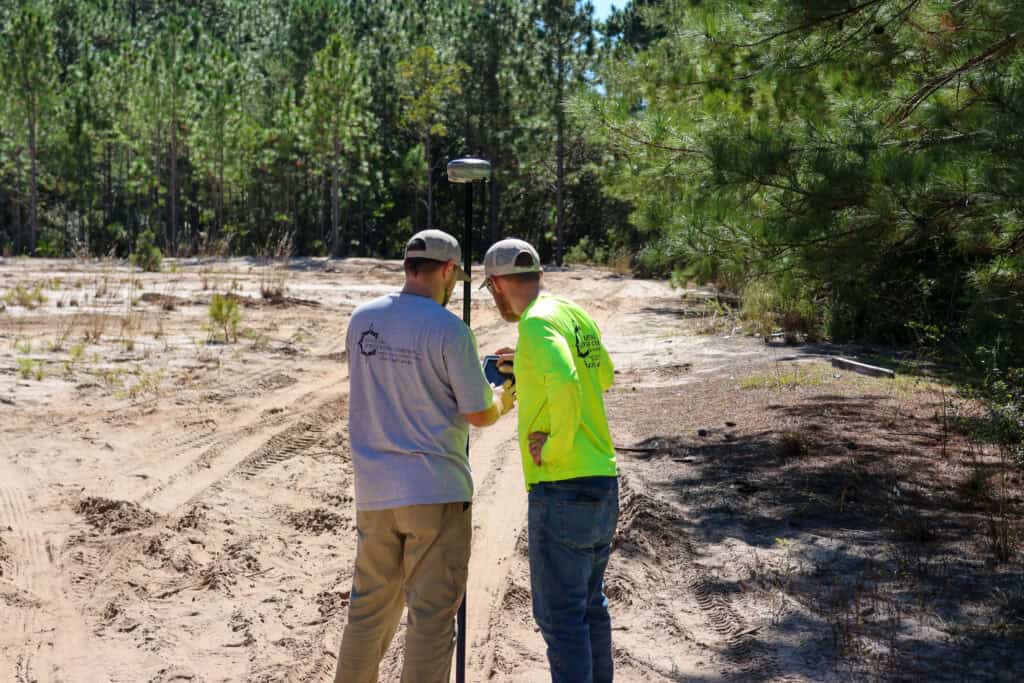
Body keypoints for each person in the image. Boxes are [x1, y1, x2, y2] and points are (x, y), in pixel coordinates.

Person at [335, 229, 515, 683]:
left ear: (408, 265)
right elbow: (477, 413)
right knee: (431, 619)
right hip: (435, 492)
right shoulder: (449, 329)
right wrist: (504, 398)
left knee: (368, 612)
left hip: (375, 493)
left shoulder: (361, 319)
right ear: (449, 271)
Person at [481, 238, 619, 683]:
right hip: (601, 477)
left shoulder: (536, 325)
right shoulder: (569, 313)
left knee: (560, 618)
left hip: (562, 483)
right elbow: (605, 375)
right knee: (589, 607)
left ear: (498, 283)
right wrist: (526, 368)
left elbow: (564, 378)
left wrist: (555, 444)